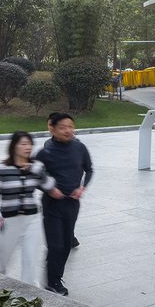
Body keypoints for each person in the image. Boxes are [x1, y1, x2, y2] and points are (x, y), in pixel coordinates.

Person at [37, 111, 94, 296]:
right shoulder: (45, 152)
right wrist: (49, 189)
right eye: (63, 127)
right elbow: (34, 176)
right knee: (56, 245)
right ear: (51, 128)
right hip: (52, 205)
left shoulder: (80, 148)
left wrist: (82, 187)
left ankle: (56, 277)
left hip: (72, 204)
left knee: (66, 244)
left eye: (70, 126)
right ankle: (52, 282)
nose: (68, 130)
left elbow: (89, 169)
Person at [0, 131, 50, 283]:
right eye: (23, 144)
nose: (28, 147)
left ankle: (30, 300)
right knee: (0, 262)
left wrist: (35, 170)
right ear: (14, 146)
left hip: (32, 219)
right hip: (8, 221)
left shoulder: (37, 166)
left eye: (30, 144)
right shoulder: (1, 168)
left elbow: (49, 186)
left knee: (30, 261)